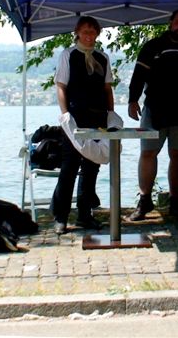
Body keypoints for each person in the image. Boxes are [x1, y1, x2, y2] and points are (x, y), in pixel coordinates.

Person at [127, 9, 178, 220]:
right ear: (170, 22)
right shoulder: (153, 46)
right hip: (155, 109)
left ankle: (175, 202)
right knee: (147, 153)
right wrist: (133, 100)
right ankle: (144, 201)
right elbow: (139, 74)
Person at [50, 16, 115, 234]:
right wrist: (65, 114)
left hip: (98, 118)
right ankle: (61, 217)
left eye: (93, 32)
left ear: (97, 34)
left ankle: (85, 215)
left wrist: (111, 114)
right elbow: (61, 85)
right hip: (75, 117)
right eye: (85, 31)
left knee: (92, 166)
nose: (89, 36)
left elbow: (107, 88)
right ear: (77, 32)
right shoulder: (68, 55)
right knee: (69, 166)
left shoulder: (102, 57)